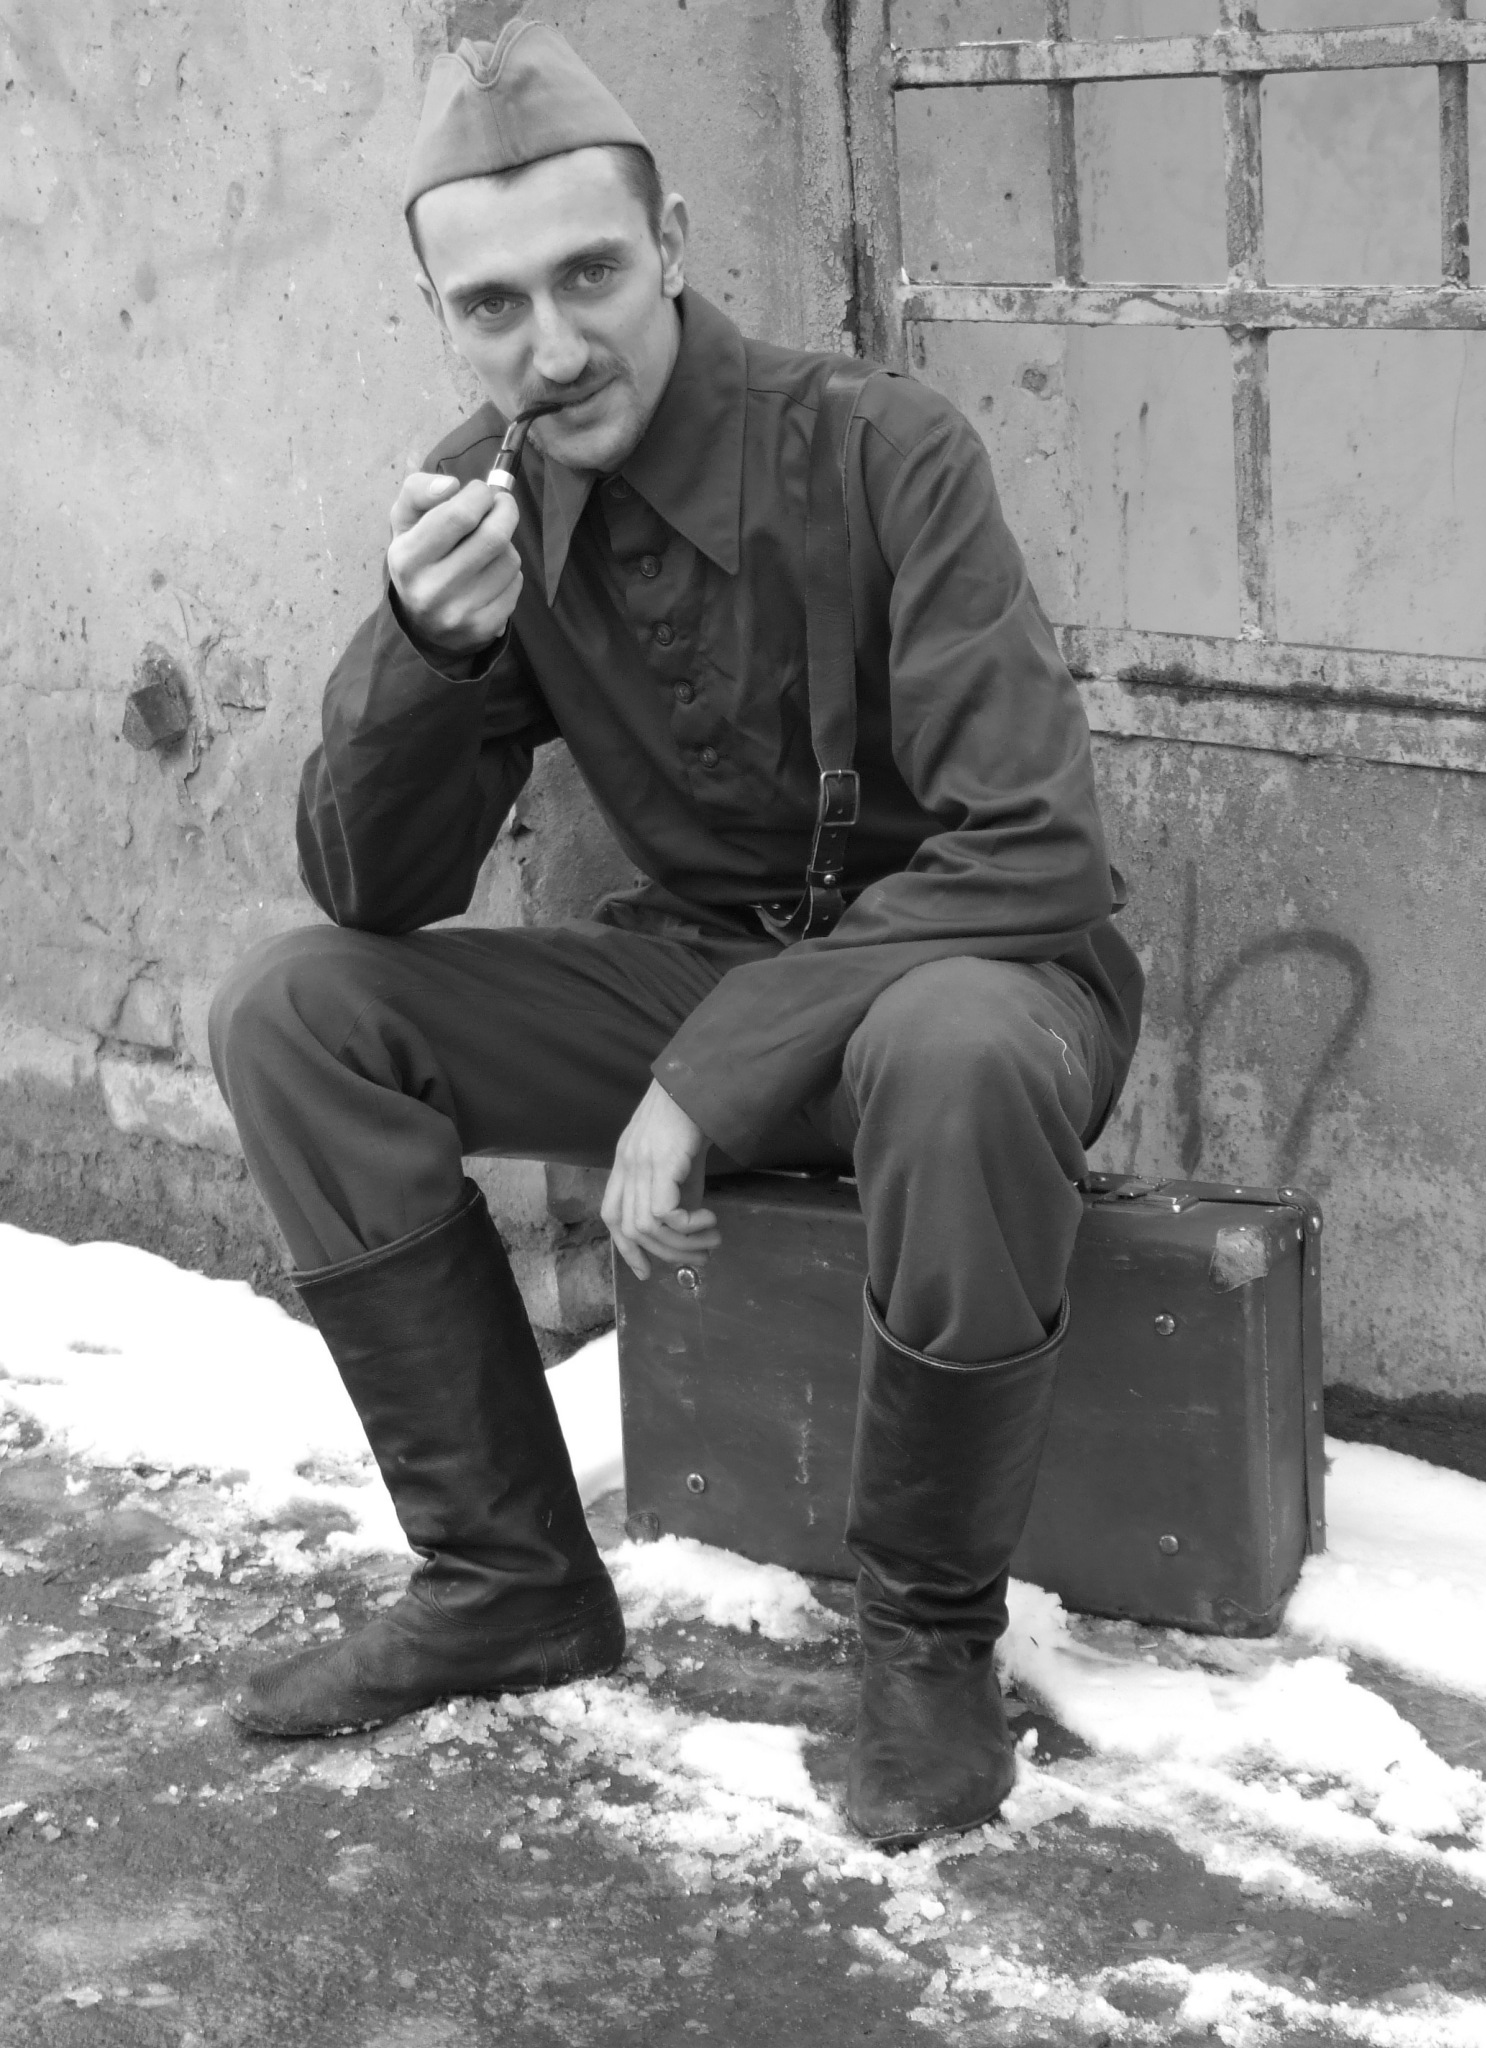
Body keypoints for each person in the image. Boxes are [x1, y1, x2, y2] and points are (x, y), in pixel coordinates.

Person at [209, 19, 1143, 1849]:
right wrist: (426, 650)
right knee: (293, 1014)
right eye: (492, 307)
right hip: (701, 979)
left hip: (978, 984)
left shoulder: (883, 447)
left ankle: (926, 1646)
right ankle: (506, 1583)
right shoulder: (484, 502)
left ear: (676, 245)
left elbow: (1037, 850)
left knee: (951, 1046)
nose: (552, 349)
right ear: (439, 317)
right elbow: (370, 890)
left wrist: (710, 1075)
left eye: (590, 277)